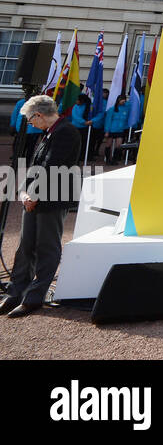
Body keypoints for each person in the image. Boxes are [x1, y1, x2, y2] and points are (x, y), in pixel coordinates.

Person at [2, 95, 79, 317]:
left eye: (30, 119)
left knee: (46, 247)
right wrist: (25, 192)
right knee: (26, 246)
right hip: (35, 198)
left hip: (53, 199)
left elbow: (53, 167)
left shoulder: (66, 132)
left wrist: (33, 195)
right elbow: (36, 166)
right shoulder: (47, 133)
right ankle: (16, 292)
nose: (30, 123)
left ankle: (34, 297)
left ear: (39, 114)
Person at [103, 93, 130, 164]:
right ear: (118, 100)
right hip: (111, 130)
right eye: (121, 100)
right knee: (108, 145)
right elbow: (108, 121)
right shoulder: (112, 109)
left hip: (120, 130)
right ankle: (108, 160)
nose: (123, 101)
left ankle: (114, 160)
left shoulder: (126, 109)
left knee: (118, 146)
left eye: (124, 100)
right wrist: (107, 131)